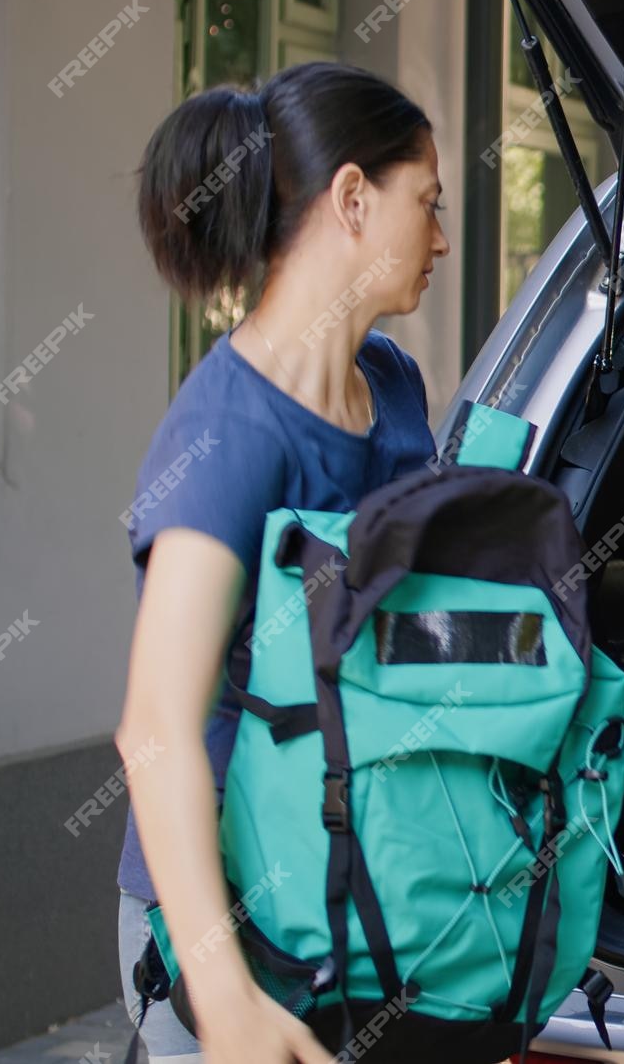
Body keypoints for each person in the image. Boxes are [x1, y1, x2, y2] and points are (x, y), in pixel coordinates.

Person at [114, 62, 449, 1064]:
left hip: (343, 885)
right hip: (223, 918)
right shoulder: (228, 433)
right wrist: (224, 1001)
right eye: (425, 204)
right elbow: (155, 730)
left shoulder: (389, 384)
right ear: (353, 199)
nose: (440, 236)